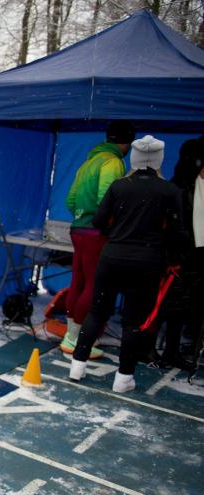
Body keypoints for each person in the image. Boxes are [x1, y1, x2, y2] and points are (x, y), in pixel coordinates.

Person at [70, 136, 185, 392]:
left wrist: (120, 228)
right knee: (133, 322)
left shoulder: (119, 186)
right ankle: (123, 378)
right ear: (158, 160)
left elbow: (99, 221)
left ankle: (77, 364)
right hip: (146, 262)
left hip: (112, 256)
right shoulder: (170, 191)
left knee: (97, 312)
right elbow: (178, 233)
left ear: (133, 158)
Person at [62, 121, 135, 358]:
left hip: (78, 229)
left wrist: (82, 217)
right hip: (97, 233)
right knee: (94, 286)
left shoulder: (88, 162)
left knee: (79, 281)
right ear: (127, 143)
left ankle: (70, 335)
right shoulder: (113, 162)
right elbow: (108, 196)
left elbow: (70, 200)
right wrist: (109, 223)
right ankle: (76, 338)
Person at [156, 135, 204, 371]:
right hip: (178, 259)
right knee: (170, 305)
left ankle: (172, 350)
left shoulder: (186, 186)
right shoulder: (180, 188)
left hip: (189, 258)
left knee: (181, 307)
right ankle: (165, 350)